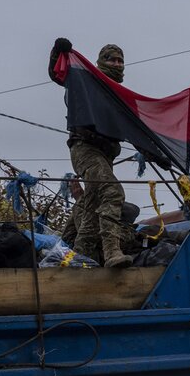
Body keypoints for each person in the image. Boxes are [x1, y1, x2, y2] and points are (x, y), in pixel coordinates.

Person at [48, 38, 132, 268]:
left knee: (91, 213)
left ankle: (76, 260)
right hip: (85, 149)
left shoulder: (121, 96)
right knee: (113, 192)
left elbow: (135, 127)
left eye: (120, 60)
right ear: (100, 62)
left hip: (106, 156)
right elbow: (58, 75)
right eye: (111, 59)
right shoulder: (86, 81)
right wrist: (57, 53)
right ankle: (112, 251)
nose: (116, 64)